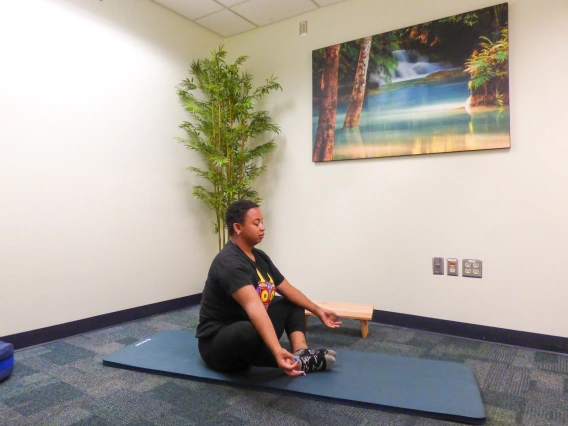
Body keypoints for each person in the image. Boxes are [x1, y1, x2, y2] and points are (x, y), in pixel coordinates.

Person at [196, 199, 341, 377]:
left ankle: (301, 352)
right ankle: (292, 363)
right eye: (256, 223)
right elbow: (254, 306)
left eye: (262, 222)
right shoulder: (229, 262)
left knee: (290, 301)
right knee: (245, 330)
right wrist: (276, 348)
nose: (263, 227)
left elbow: (287, 288)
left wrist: (318, 310)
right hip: (219, 345)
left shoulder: (260, 256)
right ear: (237, 227)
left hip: (249, 328)